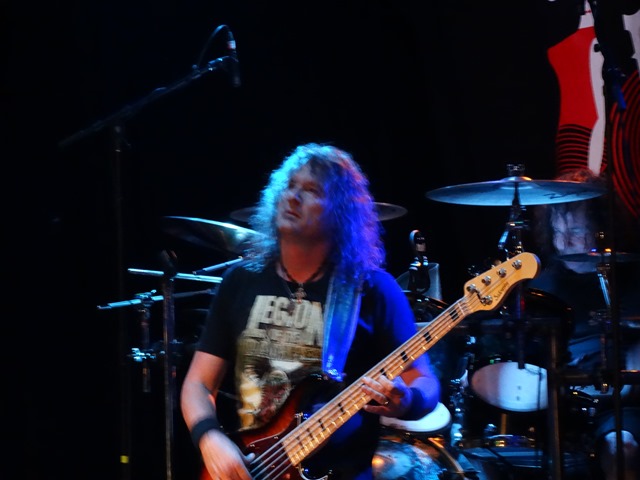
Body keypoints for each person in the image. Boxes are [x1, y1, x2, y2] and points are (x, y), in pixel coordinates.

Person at [180, 142, 441, 480]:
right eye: (290, 186)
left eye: (311, 190)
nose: (293, 197)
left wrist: (406, 400)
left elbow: (425, 381)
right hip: (252, 466)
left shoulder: (373, 288)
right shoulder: (240, 280)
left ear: (340, 213)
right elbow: (198, 383)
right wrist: (210, 438)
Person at [527, 168, 640, 480]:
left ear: (601, 228)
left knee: (622, 449)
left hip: (617, 402)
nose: (564, 242)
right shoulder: (541, 287)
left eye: (576, 231)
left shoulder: (630, 277)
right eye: (557, 232)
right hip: (557, 400)